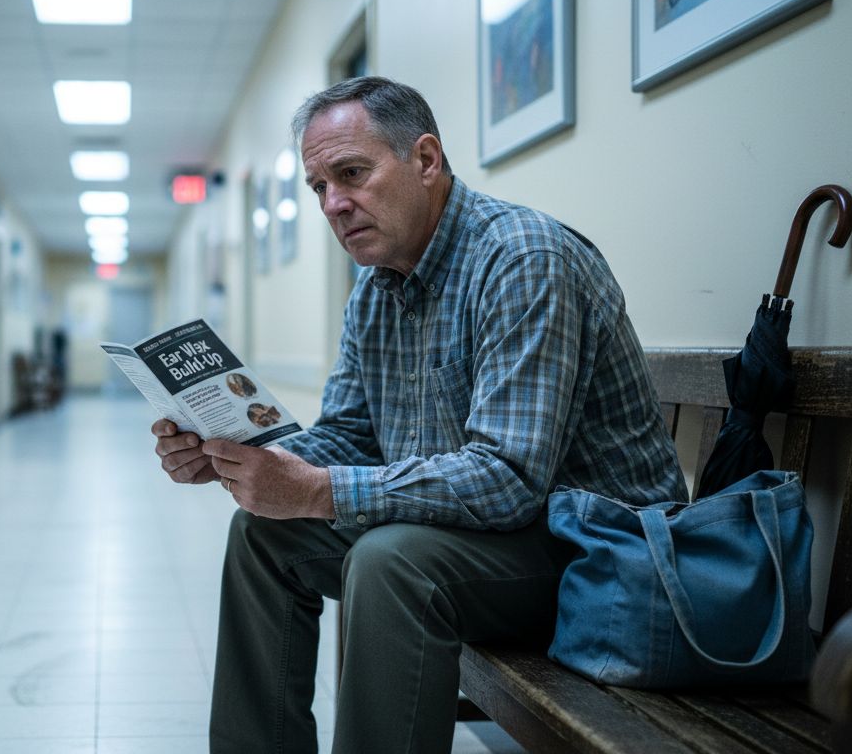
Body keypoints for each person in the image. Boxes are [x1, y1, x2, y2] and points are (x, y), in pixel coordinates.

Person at [151, 76, 686, 754]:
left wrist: (315, 489)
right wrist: (243, 455)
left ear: (426, 161)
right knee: (264, 534)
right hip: (490, 540)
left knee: (391, 561)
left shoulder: (522, 258)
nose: (336, 205)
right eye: (319, 188)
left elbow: (509, 478)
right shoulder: (374, 291)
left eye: (351, 173)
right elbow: (350, 435)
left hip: (597, 558)